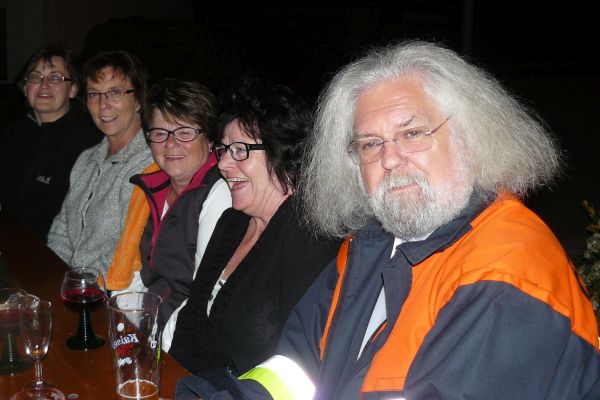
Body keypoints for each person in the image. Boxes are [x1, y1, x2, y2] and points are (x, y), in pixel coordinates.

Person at [176, 41, 600, 399]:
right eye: (370, 143)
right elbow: (296, 372)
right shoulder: (370, 244)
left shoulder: (507, 273)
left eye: (412, 133)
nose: (390, 158)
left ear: (470, 138)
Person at [168, 78, 340, 376]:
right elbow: (191, 319)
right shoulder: (232, 222)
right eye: (223, 149)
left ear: (282, 151)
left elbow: (297, 365)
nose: (223, 164)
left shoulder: (308, 238)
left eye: (240, 150)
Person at [107, 79, 232, 349]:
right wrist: (127, 324)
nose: (171, 144)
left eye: (185, 132)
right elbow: (133, 269)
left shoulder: (219, 194)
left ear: (209, 138)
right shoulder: (151, 186)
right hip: (148, 324)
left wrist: (155, 342)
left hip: (182, 339)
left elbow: (205, 292)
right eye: (160, 133)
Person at [47, 50, 153, 275]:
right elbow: (61, 230)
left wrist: (81, 285)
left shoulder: (150, 164)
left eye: (115, 92)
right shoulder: (87, 159)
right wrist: (54, 275)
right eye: (94, 94)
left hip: (110, 290)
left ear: (138, 100)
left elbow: (130, 251)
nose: (103, 105)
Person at [0, 46, 102, 239]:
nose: (44, 85)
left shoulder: (90, 141)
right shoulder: (14, 134)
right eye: (35, 77)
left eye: (55, 78)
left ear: (73, 89)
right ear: (25, 87)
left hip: (51, 249)